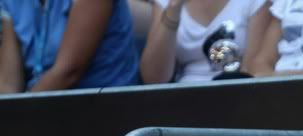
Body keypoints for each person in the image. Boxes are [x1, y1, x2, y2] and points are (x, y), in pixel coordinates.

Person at [0, 0, 139, 93]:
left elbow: (68, 73)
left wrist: (19, 115)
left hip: (103, 108)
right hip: (41, 110)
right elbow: (8, 84)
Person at [139, 0, 270, 83]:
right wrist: (174, 8)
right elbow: (153, 79)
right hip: (183, 96)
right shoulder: (164, 3)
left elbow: (252, 73)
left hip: (236, 95)